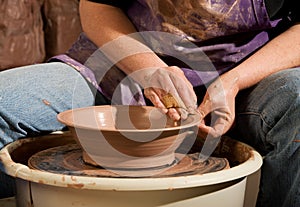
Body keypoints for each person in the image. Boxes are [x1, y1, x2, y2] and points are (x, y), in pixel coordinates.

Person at [0, 0, 299, 206]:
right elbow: (98, 5)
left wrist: (234, 81)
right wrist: (147, 67)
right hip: (120, 62)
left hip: (244, 75)